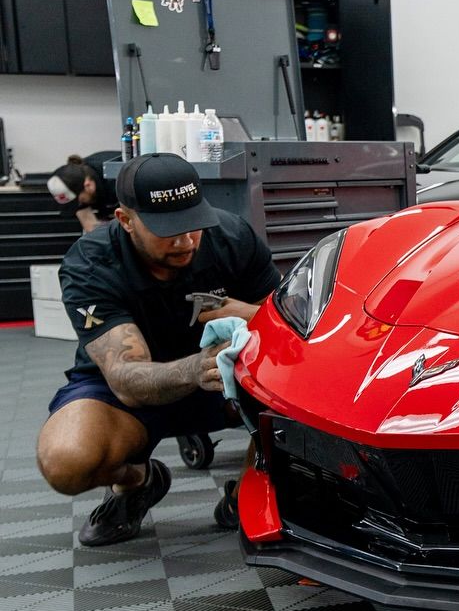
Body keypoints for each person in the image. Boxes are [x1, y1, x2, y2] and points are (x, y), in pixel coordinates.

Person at [36, 152, 281, 547]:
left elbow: (290, 329)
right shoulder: (91, 263)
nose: (186, 241)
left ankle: (249, 492)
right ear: (126, 220)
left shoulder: (232, 237)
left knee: (301, 404)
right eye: (168, 229)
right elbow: (126, 378)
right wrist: (194, 369)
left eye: (193, 225)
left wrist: (247, 314)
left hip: (223, 382)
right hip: (127, 394)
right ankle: (140, 482)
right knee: (66, 461)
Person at [48, 151, 121, 233]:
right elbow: (90, 227)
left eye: (81, 201)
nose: (80, 205)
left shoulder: (116, 179)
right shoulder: (78, 175)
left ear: (88, 185)